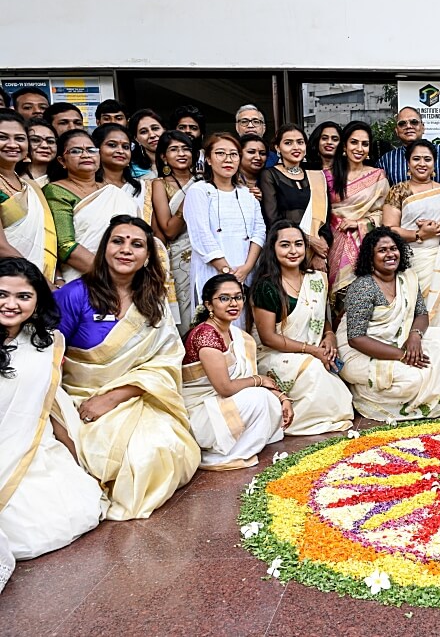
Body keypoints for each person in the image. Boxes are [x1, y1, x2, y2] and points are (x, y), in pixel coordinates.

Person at [54, 216, 201, 520]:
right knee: (133, 458)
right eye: (117, 241)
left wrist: (114, 397)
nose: (126, 250)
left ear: (148, 257)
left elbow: (165, 360)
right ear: (104, 248)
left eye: (137, 244)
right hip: (81, 399)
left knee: (168, 448)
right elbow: (48, 358)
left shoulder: (154, 300)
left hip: (136, 396)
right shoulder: (73, 295)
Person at [0, 257, 106, 559]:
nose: (11, 304)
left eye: (23, 296)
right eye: (2, 294)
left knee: (58, 520)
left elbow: (51, 405)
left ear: (37, 301)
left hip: (33, 448)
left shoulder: (46, 344)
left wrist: (78, 461)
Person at [338, 227, 440, 419]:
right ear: (370, 257)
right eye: (382, 250)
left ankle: (417, 385)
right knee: (413, 380)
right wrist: (403, 355)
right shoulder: (364, 286)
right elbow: (356, 339)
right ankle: (369, 395)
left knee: (438, 336)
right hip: (359, 353)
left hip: (397, 343)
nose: (390, 254)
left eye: (393, 248)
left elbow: (421, 314)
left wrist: (415, 336)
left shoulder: (406, 278)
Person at [251, 221, 353, 435]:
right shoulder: (267, 286)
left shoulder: (316, 279)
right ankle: (294, 422)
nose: (293, 251)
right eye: (285, 245)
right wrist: (313, 350)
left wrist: (329, 335)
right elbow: (268, 337)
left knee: (335, 380)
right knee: (315, 371)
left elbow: (320, 318)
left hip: (312, 352)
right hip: (276, 355)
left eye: (298, 244)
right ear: (273, 248)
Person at [182, 274, 288, 470]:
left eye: (238, 297)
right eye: (224, 298)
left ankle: (238, 444)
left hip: (220, 403)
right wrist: (259, 380)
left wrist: (281, 397)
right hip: (200, 413)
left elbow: (245, 379)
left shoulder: (238, 336)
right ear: (209, 305)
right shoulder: (205, 335)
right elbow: (225, 388)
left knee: (268, 399)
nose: (233, 303)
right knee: (259, 398)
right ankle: (229, 453)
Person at [381, 139, 440, 371]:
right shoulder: (398, 191)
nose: (422, 164)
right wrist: (419, 234)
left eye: (427, 159)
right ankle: (415, 365)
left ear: (435, 164)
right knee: (416, 311)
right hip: (412, 262)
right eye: (416, 159)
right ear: (408, 163)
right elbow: (389, 229)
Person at [184, 132, 265, 326]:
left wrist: (246, 268)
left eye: (234, 154)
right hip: (213, 271)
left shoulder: (247, 194)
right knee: (216, 329)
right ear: (209, 159)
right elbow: (201, 235)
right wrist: (227, 273)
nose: (228, 159)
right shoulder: (199, 191)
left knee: (243, 329)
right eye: (220, 153)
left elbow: (259, 231)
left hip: (245, 273)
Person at [44, 129, 141, 281]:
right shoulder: (56, 191)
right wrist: (109, 276)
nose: (85, 155)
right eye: (76, 151)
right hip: (84, 278)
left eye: (91, 150)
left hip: (126, 276)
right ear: (62, 161)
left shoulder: (113, 193)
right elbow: (64, 245)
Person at [323, 121, 390, 301]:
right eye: (354, 142)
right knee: (335, 300)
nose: (359, 148)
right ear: (344, 145)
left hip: (365, 244)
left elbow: (385, 213)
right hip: (332, 243)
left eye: (365, 144)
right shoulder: (327, 176)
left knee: (362, 299)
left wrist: (360, 223)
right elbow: (319, 213)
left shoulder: (377, 176)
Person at [258, 125, 331, 275]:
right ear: (278, 147)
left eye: (300, 142)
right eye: (288, 143)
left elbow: (325, 220)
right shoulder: (270, 175)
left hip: (316, 256)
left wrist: (319, 253)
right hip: (285, 252)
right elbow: (273, 220)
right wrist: (309, 241)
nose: (295, 147)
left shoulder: (316, 176)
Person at [0, 113, 57, 283]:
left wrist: (57, 278)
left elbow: (48, 240)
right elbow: (1, 247)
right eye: (2, 137)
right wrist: (40, 281)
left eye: (20, 138)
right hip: (8, 282)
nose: (12, 144)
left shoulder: (30, 186)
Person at [150, 130, 198, 330]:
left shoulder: (204, 181)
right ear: (163, 156)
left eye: (186, 149)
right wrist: (190, 200)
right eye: (174, 149)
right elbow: (169, 231)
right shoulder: (159, 184)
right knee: (186, 314)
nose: (181, 153)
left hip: (204, 254)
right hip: (179, 258)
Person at [378, 106, 440, 199]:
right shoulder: (387, 161)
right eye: (402, 124)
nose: (408, 126)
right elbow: (381, 200)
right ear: (397, 131)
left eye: (414, 122)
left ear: (422, 127)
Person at [92, 123, 144, 210]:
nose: (121, 151)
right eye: (112, 145)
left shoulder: (142, 188)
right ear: (97, 149)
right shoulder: (88, 186)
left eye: (126, 147)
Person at [17, 118, 57, 185]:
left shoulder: (64, 179)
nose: (45, 146)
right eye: (35, 140)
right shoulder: (12, 180)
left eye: (50, 141)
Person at [127, 109, 165, 180]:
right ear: (136, 139)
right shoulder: (131, 169)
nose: (152, 135)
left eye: (155, 128)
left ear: (164, 130)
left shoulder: (180, 160)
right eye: (143, 132)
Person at [169, 105, 206, 174]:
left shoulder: (209, 160)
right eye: (182, 127)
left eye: (193, 128)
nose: (187, 131)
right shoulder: (166, 158)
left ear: (202, 134)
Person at [237, 133, 266, 200]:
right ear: (239, 154)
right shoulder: (228, 179)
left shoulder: (271, 179)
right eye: (251, 152)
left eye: (262, 153)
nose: (258, 157)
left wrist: (265, 199)